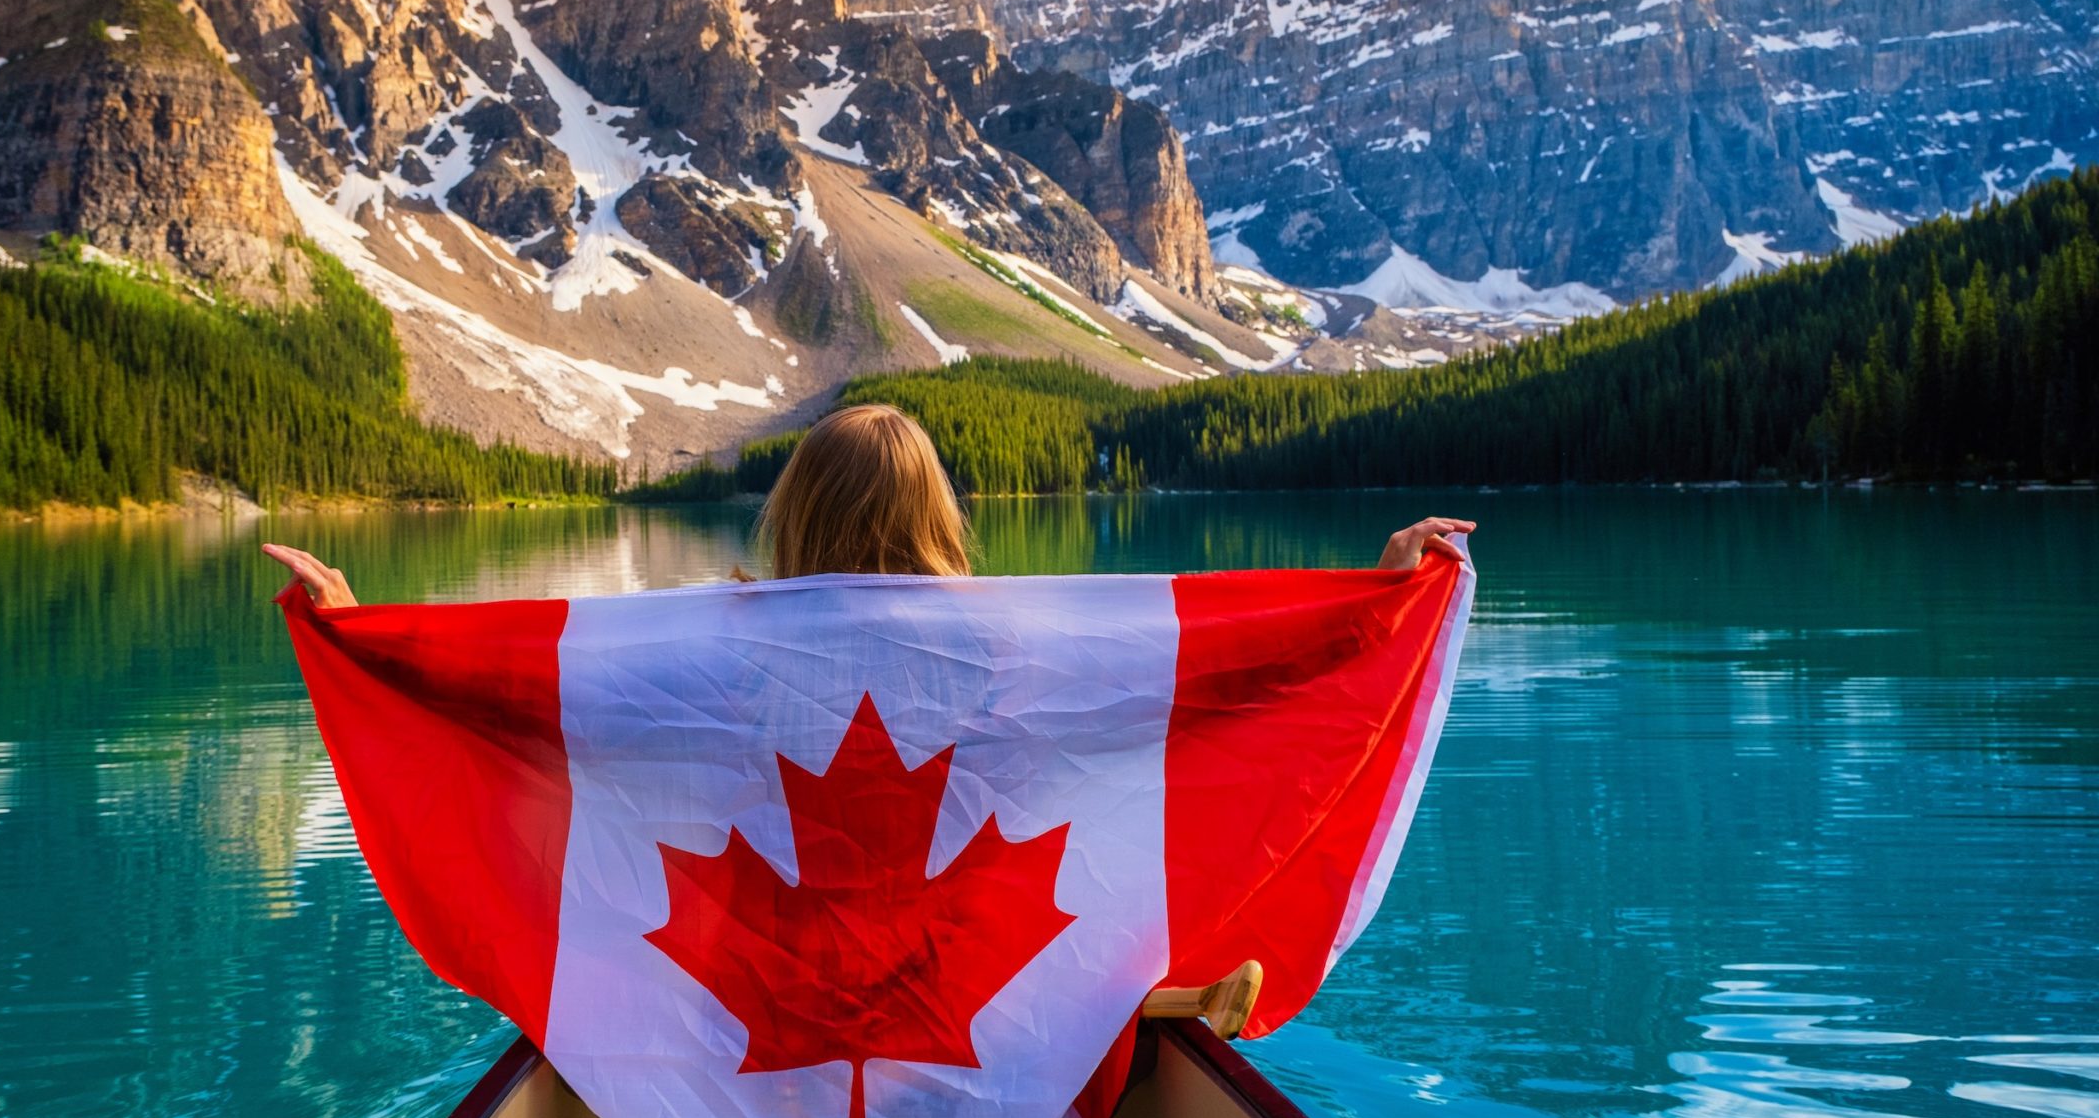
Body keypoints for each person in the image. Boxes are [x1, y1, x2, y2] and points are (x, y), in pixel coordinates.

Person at [262, 403, 1474, 606]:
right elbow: (1218, 678)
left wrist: (361, 627)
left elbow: (523, 706)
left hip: (768, 999)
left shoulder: (720, 636)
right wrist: (1378, 595)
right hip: (972, 990)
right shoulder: (1006, 632)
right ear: (936, 514)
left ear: (796, 510)